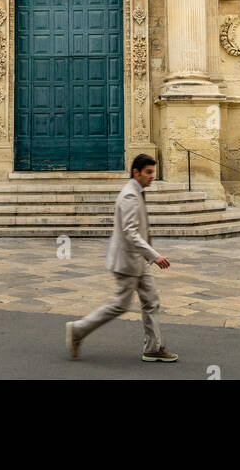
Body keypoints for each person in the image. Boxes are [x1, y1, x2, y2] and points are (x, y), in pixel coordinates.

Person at [66, 154, 177, 362]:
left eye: (153, 172)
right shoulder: (129, 196)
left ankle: (152, 348)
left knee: (151, 301)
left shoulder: (137, 192)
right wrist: (155, 256)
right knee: (120, 305)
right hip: (127, 261)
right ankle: (77, 330)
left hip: (138, 260)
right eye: (149, 172)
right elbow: (131, 233)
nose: (153, 176)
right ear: (136, 172)